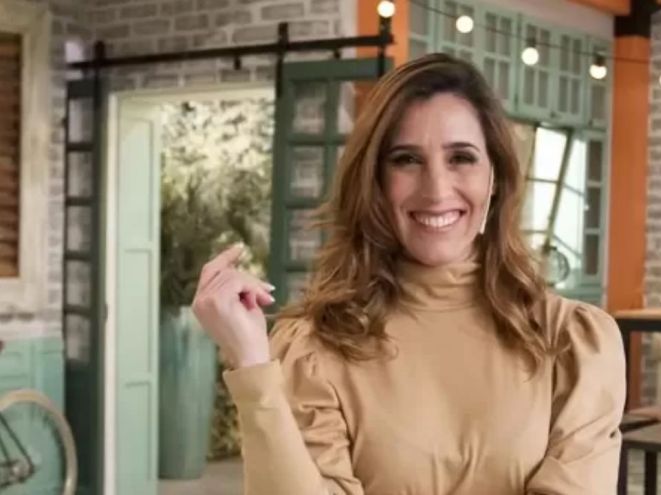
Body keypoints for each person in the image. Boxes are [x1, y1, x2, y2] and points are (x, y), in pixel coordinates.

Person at [192, 53, 626, 495]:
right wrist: (253, 369)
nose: (436, 190)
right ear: (375, 183)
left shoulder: (572, 344)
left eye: (461, 157)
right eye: (406, 160)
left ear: (494, 178)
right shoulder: (314, 348)